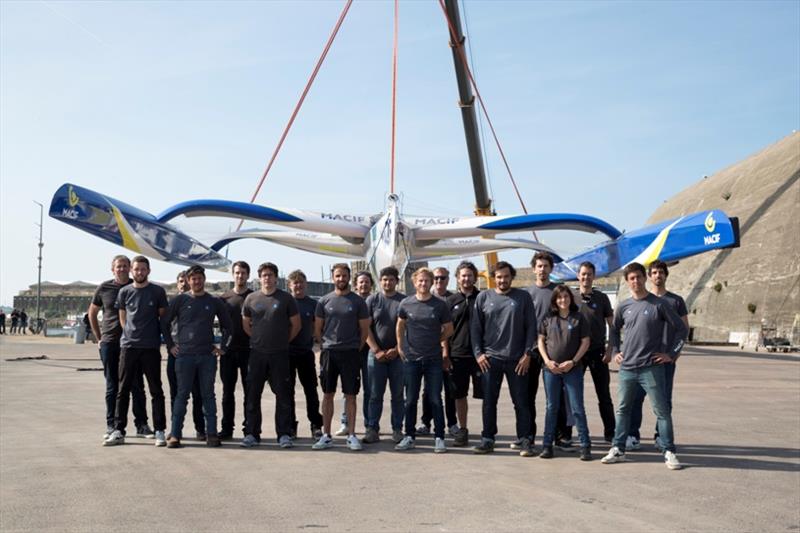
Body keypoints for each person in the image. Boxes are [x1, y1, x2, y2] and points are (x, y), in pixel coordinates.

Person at [601, 262, 688, 470]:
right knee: (623, 409)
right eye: (631, 278)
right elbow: (613, 331)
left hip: (651, 368)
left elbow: (682, 330)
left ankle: (669, 451)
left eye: (639, 277)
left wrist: (671, 354)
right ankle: (618, 448)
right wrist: (615, 352)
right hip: (627, 369)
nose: (636, 281)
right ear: (627, 281)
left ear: (644, 278)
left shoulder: (659, 304)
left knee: (662, 410)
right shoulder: (623, 306)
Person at [470, 261, 536, 457]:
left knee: (521, 402)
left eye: (506, 276)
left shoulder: (523, 297)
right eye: (499, 277)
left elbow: (531, 327)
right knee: (489, 401)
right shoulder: (483, 297)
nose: (502, 280)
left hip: (517, 360)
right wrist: (478, 354)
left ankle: (525, 439)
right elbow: (475, 328)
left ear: (511, 277)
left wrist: (527, 354)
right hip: (490, 360)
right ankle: (488, 439)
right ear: (493, 278)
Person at [163, 265, 232, 448]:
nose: (197, 281)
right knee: (181, 396)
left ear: (204, 279)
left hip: (206, 357)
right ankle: (175, 435)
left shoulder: (214, 301)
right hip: (184, 356)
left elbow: (228, 327)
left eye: (200, 278)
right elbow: (164, 324)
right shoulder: (179, 300)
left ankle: (211, 434)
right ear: (188, 280)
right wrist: (170, 346)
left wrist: (222, 348)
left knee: (208, 395)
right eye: (193, 278)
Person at [103, 256, 168, 447]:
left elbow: (162, 317)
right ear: (132, 271)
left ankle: (159, 431)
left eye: (143, 269)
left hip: (150, 347)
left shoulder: (157, 291)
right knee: (122, 389)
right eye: (136, 269)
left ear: (148, 271)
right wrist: (131, 334)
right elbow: (123, 318)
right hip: (129, 347)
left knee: (156, 390)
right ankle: (118, 430)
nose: (139, 272)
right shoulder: (124, 292)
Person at [627, 260, 690, 451]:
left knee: (663, 401)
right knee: (636, 398)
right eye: (654, 272)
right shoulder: (642, 299)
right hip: (643, 360)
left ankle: (660, 437)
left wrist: (673, 354)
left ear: (665, 275)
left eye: (660, 272)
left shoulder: (676, 301)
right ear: (649, 276)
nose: (657, 276)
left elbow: (684, 329)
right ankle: (632, 435)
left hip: (664, 361)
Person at [88, 255, 152, 440]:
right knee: (112, 386)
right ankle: (111, 424)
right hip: (110, 343)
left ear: (130, 268)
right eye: (119, 266)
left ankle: (141, 424)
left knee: (137, 385)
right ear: (112, 269)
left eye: (125, 266)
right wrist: (99, 338)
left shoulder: (137, 286)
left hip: (133, 343)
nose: (122, 269)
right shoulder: (104, 288)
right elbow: (92, 312)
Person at [240, 262, 301, 448]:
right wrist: (260, 340)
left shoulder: (286, 299)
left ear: (276, 278)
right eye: (264, 275)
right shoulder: (251, 298)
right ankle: (252, 433)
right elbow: (246, 325)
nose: (267, 278)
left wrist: (282, 341)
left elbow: (296, 325)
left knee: (283, 395)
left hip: (280, 355)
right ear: (259, 278)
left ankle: (283, 434)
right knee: (252, 395)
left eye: (270, 275)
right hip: (257, 354)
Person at [394, 267, 453, 453]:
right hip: (411, 359)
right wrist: (400, 346)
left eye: (427, 281)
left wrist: (437, 340)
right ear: (414, 282)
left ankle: (439, 437)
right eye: (420, 281)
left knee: (435, 399)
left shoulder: (440, 305)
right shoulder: (406, 303)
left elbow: (449, 329)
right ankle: (409, 436)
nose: (423, 284)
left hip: (433, 359)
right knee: (410, 399)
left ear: (431, 282)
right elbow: (400, 325)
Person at [312, 263, 370, 451]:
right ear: (333, 277)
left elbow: (364, 330)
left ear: (349, 277)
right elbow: (318, 329)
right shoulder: (324, 301)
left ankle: (352, 435)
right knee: (328, 394)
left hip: (351, 353)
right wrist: (325, 345)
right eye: (338, 276)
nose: (341, 279)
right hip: (329, 352)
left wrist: (355, 347)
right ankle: (326, 435)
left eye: (344, 276)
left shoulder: (358, 302)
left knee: (350, 395)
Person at [538, 285, 592, 460]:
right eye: (559, 297)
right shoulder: (548, 318)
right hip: (551, 370)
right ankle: (547, 445)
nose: (563, 300)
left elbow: (585, 342)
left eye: (566, 297)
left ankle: (585, 445)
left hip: (572, 370)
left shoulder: (578, 318)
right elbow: (541, 341)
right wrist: (547, 361)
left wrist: (573, 361)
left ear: (571, 299)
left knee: (577, 408)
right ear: (555, 300)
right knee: (551, 407)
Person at [526, 251, 572, 450]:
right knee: (527, 396)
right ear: (533, 268)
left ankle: (560, 436)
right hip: (531, 352)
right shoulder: (526, 294)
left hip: (553, 353)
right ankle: (528, 436)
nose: (542, 269)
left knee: (558, 398)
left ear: (551, 269)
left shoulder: (558, 293)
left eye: (546, 266)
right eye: (539, 266)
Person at [363, 266, 406, 444]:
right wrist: (376, 350)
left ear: (397, 281)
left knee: (397, 395)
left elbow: (408, 328)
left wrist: (397, 348)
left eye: (391, 279)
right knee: (374, 395)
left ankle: (397, 429)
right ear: (380, 282)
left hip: (398, 356)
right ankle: (372, 428)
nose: (388, 282)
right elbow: (365, 328)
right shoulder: (372, 300)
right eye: (384, 279)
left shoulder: (404, 301)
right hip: (376, 356)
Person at [576, 261, 616, 443]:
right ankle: (566, 434)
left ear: (594, 276)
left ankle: (611, 432)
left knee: (604, 395)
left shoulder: (601, 298)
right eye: (583, 274)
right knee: (571, 396)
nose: (586, 277)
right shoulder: (571, 297)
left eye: (589, 274)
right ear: (578, 276)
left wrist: (610, 351)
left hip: (598, 353)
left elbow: (612, 326)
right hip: (576, 354)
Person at [445, 261, 483, 447]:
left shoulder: (483, 298)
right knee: (459, 395)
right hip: (457, 355)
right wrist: (446, 353)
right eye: (463, 275)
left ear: (475, 277)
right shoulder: (450, 301)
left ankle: (488, 431)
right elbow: (444, 330)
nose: (466, 278)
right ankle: (463, 429)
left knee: (487, 395)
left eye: (469, 275)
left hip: (480, 357)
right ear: (458, 278)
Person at [418, 266, 458, 436]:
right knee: (428, 391)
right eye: (435, 278)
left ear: (448, 279)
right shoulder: (425, 299)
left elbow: (449, 329)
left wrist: (446, 354)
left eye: (442, 278)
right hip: (430, 352)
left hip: (451, 352)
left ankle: (452, 423)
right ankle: (426, 422)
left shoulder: (453, 299)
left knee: (450, 390)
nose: (438, 281)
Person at [166, 271, 206, 440]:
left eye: (186, 281)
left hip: (195, 353)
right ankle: (176, 430)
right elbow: (164, 324)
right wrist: (170, 345)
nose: (184, 284)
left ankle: (200, 429)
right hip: (176, 353)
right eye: (180, 281)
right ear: (177, 284)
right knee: (176, 394)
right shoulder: (174, 302)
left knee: (198, 394)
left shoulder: (196, 302)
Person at [335, 271, 373, 436]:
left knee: (369, 389)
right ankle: (346, 422)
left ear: (371, 284)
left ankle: (369, 423)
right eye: (361, 282)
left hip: (369, 351)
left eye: (367, 282)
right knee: (348, 390)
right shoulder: (348, 299)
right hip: (350, 351)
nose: (363, 285)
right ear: (356, 284)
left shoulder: (375, 301)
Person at [287, 269, 324, 439]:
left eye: (301, 282)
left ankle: (316, 424)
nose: (298, 286)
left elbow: (318, 329)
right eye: (295, 283)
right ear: (290, 286)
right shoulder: (285, 302)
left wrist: (321, 347)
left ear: (306, 284)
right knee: (288, 392)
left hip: (305, 353)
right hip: (286, 353)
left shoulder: (313, 304)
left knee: (311, 390)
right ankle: (290, 425)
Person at [218, 261, 253, 440]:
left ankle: (250, 429)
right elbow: (211, 323)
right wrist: (216, 347)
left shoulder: (254, 297)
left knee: (250, 392)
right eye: (237, 273)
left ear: (248, 275)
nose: (240, 276)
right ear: (233, 274)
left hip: (249, 351)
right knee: (227, 393)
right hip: (228, 352)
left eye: (243, 273)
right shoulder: (223, 299)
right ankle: (226, 429)